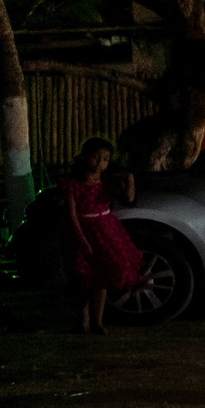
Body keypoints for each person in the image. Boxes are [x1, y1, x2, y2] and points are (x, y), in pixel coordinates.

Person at [59, 137, 142, 333]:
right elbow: (72, 216)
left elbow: (129, 199)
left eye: (105, 159)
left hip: (106, 232)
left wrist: (130, 179)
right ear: (84, 156)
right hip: (81, 233)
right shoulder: (71, 184)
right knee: (81, 278)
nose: (100, 163)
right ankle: (83, 319)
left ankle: (98, 320)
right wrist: (83, 242)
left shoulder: (106, 182)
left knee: (101, 278)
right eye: (95, 158)